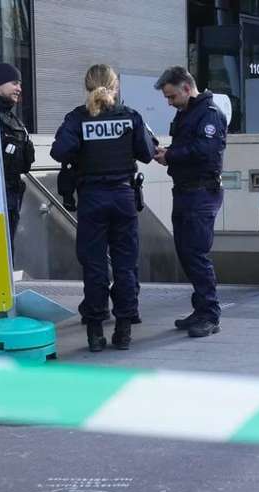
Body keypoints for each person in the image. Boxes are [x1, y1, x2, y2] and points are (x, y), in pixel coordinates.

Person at [50, 64, 155, 352]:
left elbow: (59, 151)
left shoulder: (77, 118)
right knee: (125, 265)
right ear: (115, 86)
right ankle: (123, 330)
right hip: (123, 197)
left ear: (87, 86)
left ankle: (95, 332)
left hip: (92, 199)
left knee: (94, 265)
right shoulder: (129, 116)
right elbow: (146, 153)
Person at [153, 66, 226, 338]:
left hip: (201, 193)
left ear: (186, 87)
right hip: (185, 191)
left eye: (172, 96)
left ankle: (210, 315)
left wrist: (171, 156)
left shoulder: (209, 115)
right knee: (186, 253)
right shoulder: (187, 114)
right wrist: (170, 153)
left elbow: (205, 151)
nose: (169, 102)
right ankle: (201, 308)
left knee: (196, 254)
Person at [0, 63, 34, 263]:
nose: (19, 88)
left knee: (7, 252)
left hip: (11, 194)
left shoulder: (14, 120)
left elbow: (26, 162)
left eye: (20, 84)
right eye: (14, 83)